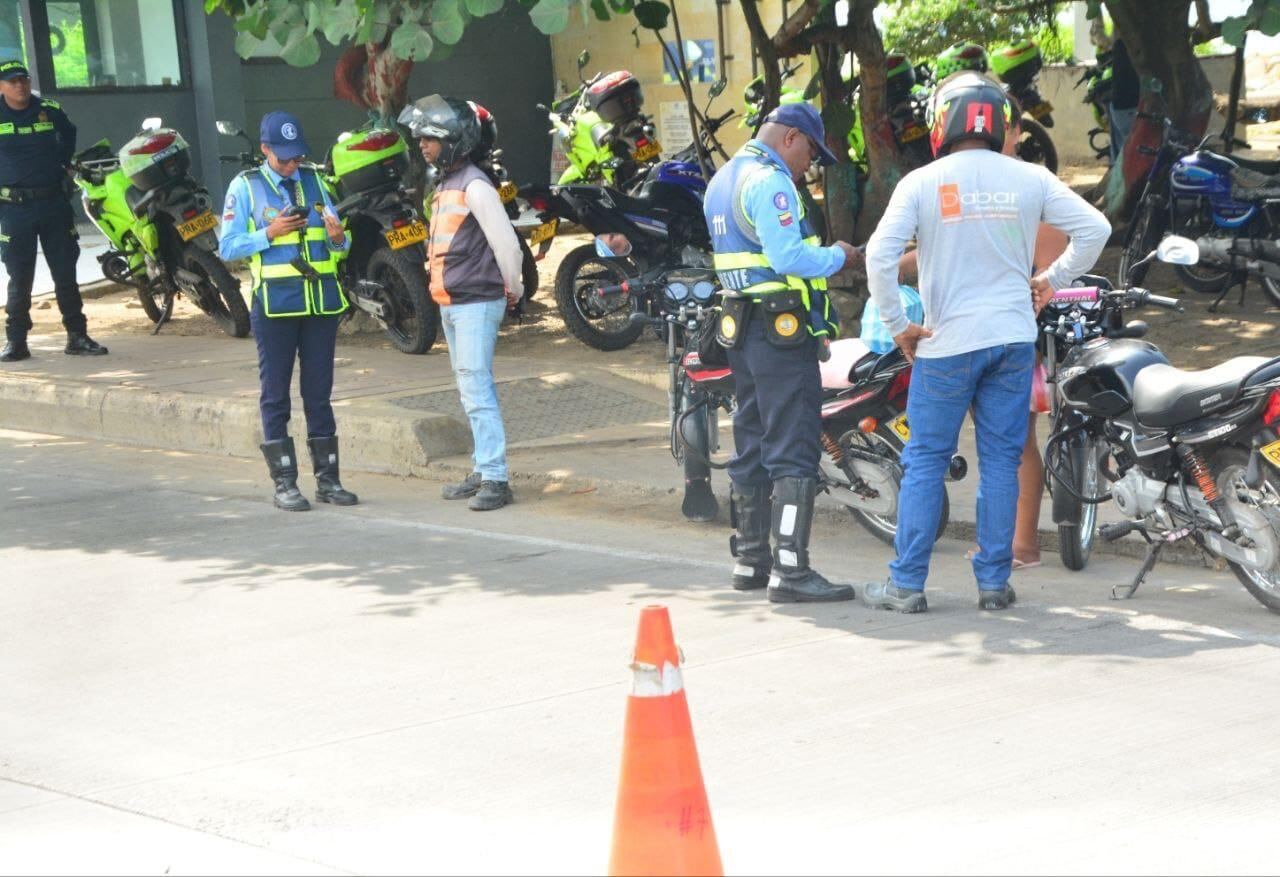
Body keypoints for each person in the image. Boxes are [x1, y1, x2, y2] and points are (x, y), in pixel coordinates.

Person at [862, 72, 1109, 612]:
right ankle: (994, 584)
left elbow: (878, 256)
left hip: (946, 343)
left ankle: (906, 585)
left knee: (926, 460)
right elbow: (1096, 230)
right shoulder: (1030, 179)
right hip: (1012, 340)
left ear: (940, 123)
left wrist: (897, 322)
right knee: (1000, 461)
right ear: (999, 124)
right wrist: (1055, 280)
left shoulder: (921, 182)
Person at [705, 102, 861, 603]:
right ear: (792, 138)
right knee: (793, 447)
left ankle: (751, 560)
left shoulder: (722, 179)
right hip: (780, 335)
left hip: (742, 332)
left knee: (751, 440)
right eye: (811, 152)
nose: (809, 165)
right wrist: (840, 255)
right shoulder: (769, 182)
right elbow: (789, 257)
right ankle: (791, 571)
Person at [219, 111, 358, 512]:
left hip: (320, 305)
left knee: (319, 394)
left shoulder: (314, 181)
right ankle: (285, 484)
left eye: (297, 156)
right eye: (284, 158)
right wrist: (269, 233)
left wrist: (338, 237)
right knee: (275, 395)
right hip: (276, 307)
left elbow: (339, 248)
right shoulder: (245, 187)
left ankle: (329, 481)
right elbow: (227, 247)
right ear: (265, 150)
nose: (292, 165)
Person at [399, 95, 523, 512]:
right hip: (451, 302)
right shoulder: (446, 183)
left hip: (475, 302)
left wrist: (514, 288)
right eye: (421, 138)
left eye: (430, 138)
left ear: (455, 141)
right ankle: (483, 467)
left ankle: (496, 478)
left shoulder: (474, 184)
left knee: (477, 389)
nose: (422, 144)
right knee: (470, 389)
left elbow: (506, 244)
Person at [0, 59, 106, 362]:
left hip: (53, 204)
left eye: (23, 79)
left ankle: (77, 336)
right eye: (12, 81)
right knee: (20, 277)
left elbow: (68, 135)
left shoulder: (49, 108)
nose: (19, 85)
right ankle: (16, 341)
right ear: (1, 86)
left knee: (65, 273)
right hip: (14, 208)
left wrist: (62, 165)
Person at [1108, 39, 1139, 165]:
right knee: (1131, 150)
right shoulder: (1136, 47)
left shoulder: (1119, 44)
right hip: (1129, 106)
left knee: (1119, 149)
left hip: (1117, 105)